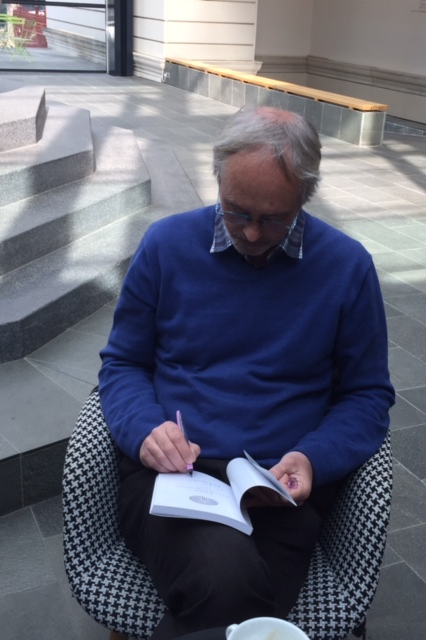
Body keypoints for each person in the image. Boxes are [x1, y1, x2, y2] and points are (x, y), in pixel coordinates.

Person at [98, 106, 395, 639]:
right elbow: (123, 362)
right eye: (236, 211)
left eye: (274, 218)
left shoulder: (347, 267)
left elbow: (368, 395)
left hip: (280, 490)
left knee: (237, 607)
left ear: (305, 197)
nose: (253, 233)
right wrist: (145, 430)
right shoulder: (165, 245)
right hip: (174, 479)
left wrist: (312, 458)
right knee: (233, 591)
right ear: (217, 177)